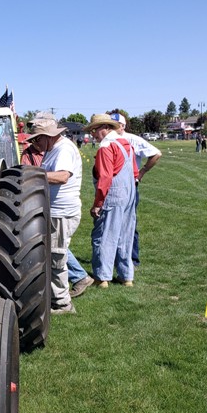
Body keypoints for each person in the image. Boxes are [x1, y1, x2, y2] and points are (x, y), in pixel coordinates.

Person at [25, 114, 90, 313]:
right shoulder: (54, 149)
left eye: (37, 138)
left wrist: (32, 173)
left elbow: (62, 176)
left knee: (56, 257)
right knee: (53, 254)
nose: (35, 143)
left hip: (62, 213)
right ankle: (58, 294)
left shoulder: (63, 149)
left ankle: (63, 303)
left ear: (48, 136)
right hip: (55, 211)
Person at [83, 113, 137, 288]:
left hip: (113, 195)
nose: (93, 135)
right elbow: (134, 171)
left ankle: (102, 277)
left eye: (94, 130)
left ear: (104, 128)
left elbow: (105, 177)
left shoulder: (106, 146)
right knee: (125, 235)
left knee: (104, 236)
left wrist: (98, 204)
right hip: (129, 194)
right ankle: (126, 276)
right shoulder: (125, 143)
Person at [109, 112, 161, 266]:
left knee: (129, 223)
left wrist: (142, 172)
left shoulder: (132, 139)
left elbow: (156, 154)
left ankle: (132, 259)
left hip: (129, 186)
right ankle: (115, 258)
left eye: (113, 125)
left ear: (122, 126)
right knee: (112, 223)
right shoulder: (110, 140)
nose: (110, 127)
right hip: (113, 187)